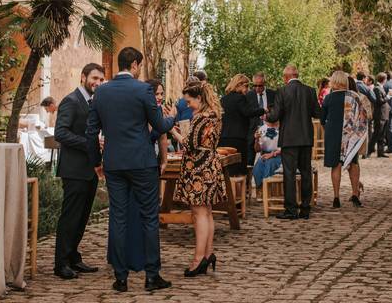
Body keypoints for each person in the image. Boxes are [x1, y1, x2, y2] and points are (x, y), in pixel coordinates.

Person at [86, 47, 174, 293]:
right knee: (149, 217)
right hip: (142, 162)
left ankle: (121, 277)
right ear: (134, 65)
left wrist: (96, 162)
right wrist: (173, 118)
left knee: (118, 217)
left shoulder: (101, 93)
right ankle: (152, 275)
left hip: (114, 163)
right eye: (139, 66)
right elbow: (158, 124)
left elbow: (91, 131)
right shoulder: (142, 89)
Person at [53, 63, 105, 280]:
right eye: (94, 78)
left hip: (90, 170)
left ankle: (74, 256)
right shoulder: (71, 101)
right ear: (83, 77)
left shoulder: (94, 103)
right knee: (70, 217)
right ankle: (60, 263)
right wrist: (90, 143)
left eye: (101, 80)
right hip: (74, 170)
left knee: (83, 217)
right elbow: (60, 133)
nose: (98, 83)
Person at [169, 81, 226, 277]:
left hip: (199, 170)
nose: (187, 105)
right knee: (207, 212)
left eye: (189, 101)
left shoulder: (201, 118)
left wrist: (172, 130)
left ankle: (199, 257)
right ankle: (208, 253)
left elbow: (189, 144)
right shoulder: (214, 115)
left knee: (199, 213)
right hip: (209, 165)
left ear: (199, 98)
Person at [266, 64, 322, 220]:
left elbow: (274, 116)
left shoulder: (282, 91)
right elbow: (317, 112)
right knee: (306, 173)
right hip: (305, 137)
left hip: (289, 139)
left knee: (289, 174)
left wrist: (267, 115)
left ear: (286, 78)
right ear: (297, 75)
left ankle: (291, 210)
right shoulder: (310, 91)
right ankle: (305, 209)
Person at [321, 71, 367, 208]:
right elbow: (362, 118)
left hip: (333, 134)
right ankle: (354, 194)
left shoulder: (328, 98)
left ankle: (336, 197)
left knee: (336, 165)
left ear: (333, 81)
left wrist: (327, 131)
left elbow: (322, 119)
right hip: (351, 135)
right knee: (353, 163)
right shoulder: (354, 97)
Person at [219, 74, 264, 174]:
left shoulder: (223, 99)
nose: (248, 90)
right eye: (246, 86)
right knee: (239, 168)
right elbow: (248, 112)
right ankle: (240, 189)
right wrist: (263, 110)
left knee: (227, 169)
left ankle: (229, 189)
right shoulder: (240, 98)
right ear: (239, 84)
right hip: (237, 138)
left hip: (223, 138)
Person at [247, 72, 277, 163]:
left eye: (260, 86)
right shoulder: (248, 95)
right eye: (255, 85)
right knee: (249, 161)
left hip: (270, 132)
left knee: (268, 160)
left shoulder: (273, 94)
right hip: (253, 132)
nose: (257, 88)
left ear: (265, 83)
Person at [252, 117, 283, 188]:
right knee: (258, 167)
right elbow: (257, 150)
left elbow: (286, 147)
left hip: (279, 155)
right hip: (265, 155)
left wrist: (272, 154)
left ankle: (268, 190)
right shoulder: (262, 129)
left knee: (270, 164)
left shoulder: (283, 128)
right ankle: (261, 190)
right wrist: (256, 140)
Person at [375, 73, 392, 157]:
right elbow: (380, 101)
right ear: (384, 79)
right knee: (380, 133)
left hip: (384, 114)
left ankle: (381, 152)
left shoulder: (381, 88)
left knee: (383, 134)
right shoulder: (377, 88)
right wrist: (388, 97)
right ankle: (379, 151)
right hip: (380, 115)